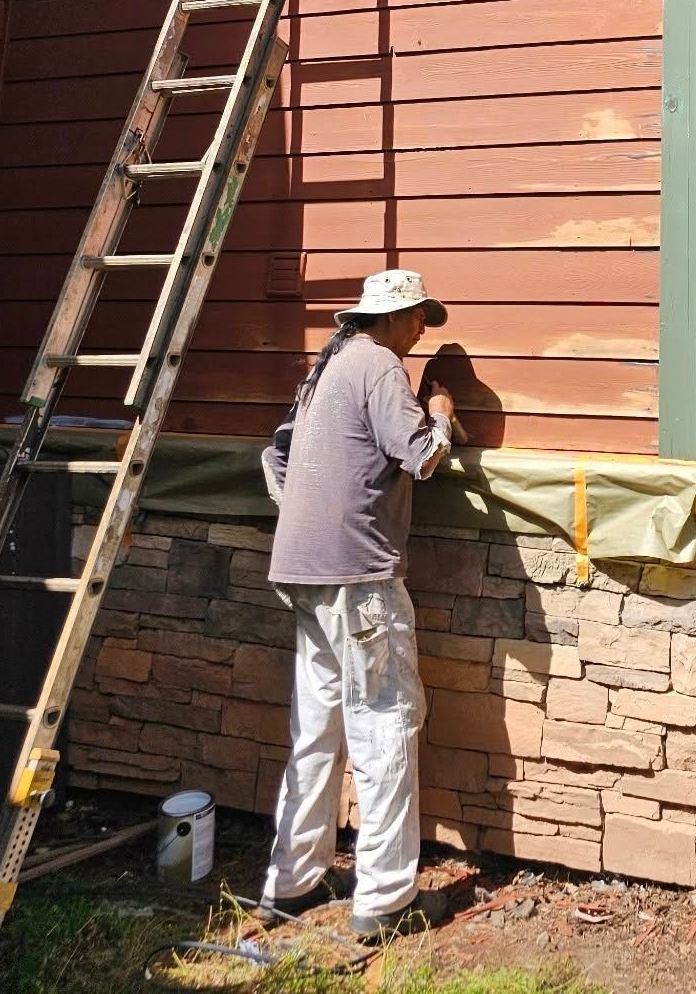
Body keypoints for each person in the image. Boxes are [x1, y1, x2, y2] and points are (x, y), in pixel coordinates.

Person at [257, 269, 458, 944]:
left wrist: (311, 518)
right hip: (359, 580)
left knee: (315, 727)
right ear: (393, 316)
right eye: (418, 318)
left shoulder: (327, 366)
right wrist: (442, 416)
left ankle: (293, 880)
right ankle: (385, 899)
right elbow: (420, 457)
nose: (423, 330)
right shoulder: (378, 365)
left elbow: (275, 457)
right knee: (384, 726)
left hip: (303, 571)